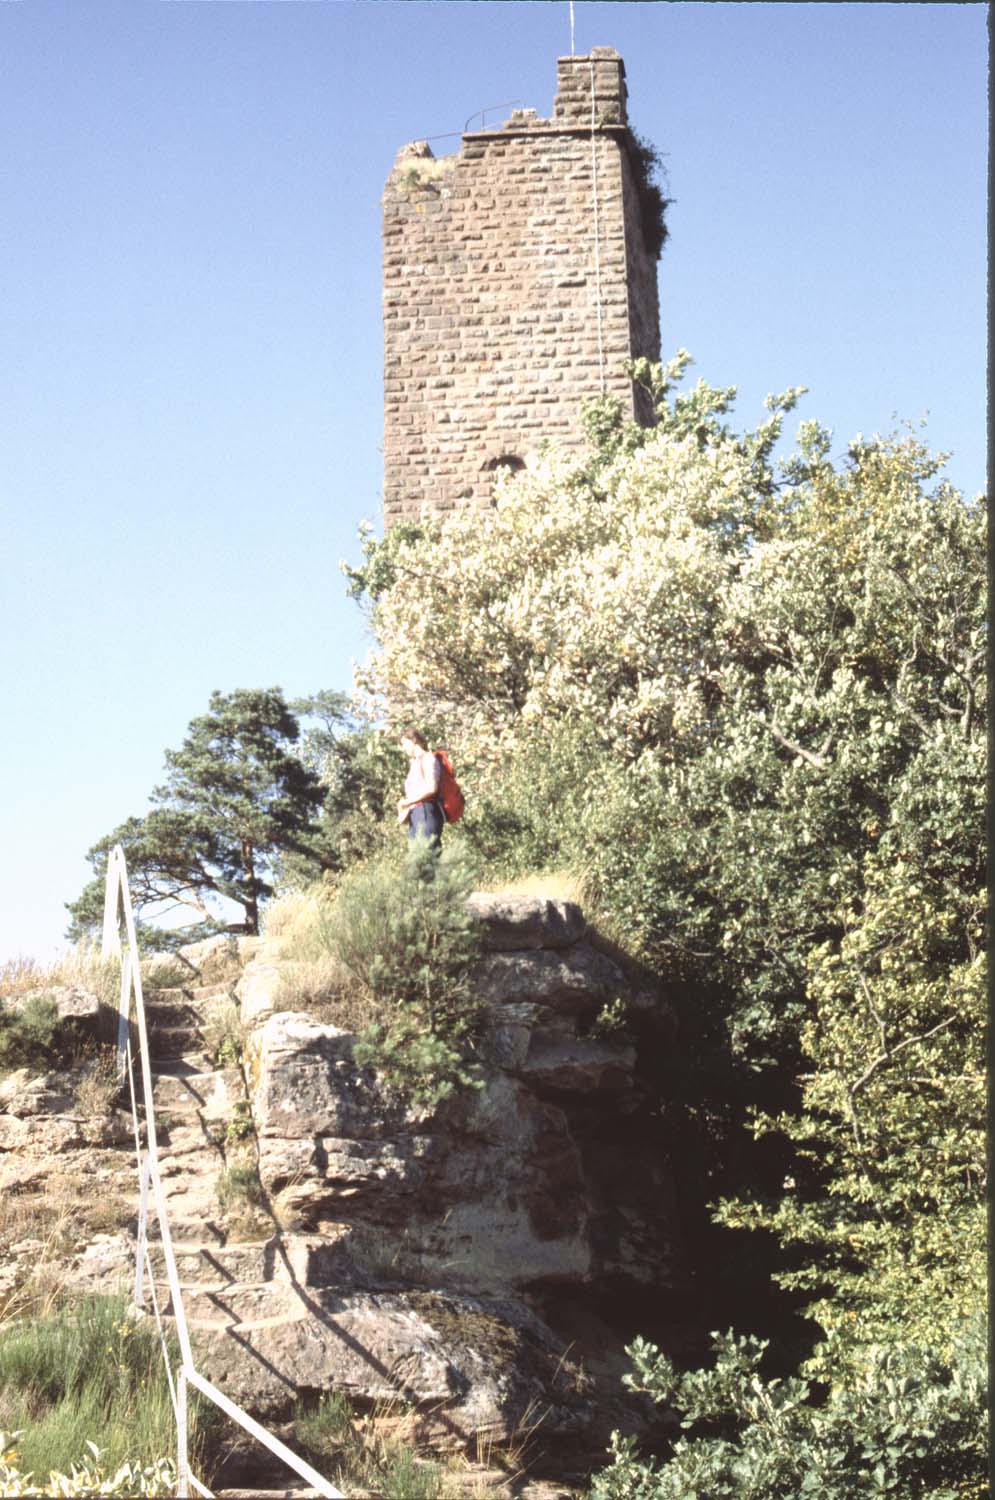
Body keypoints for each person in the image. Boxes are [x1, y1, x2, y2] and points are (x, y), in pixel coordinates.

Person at [397, 728, 444, 852]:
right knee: (418, 863)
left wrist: (407, 801)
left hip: (425, 811)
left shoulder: (428, 758)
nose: (403, 748)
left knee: (428, 858)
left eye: (404, 743)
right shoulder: (415, 763)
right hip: (417, 814)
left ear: (414, 740)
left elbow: (432, 787)